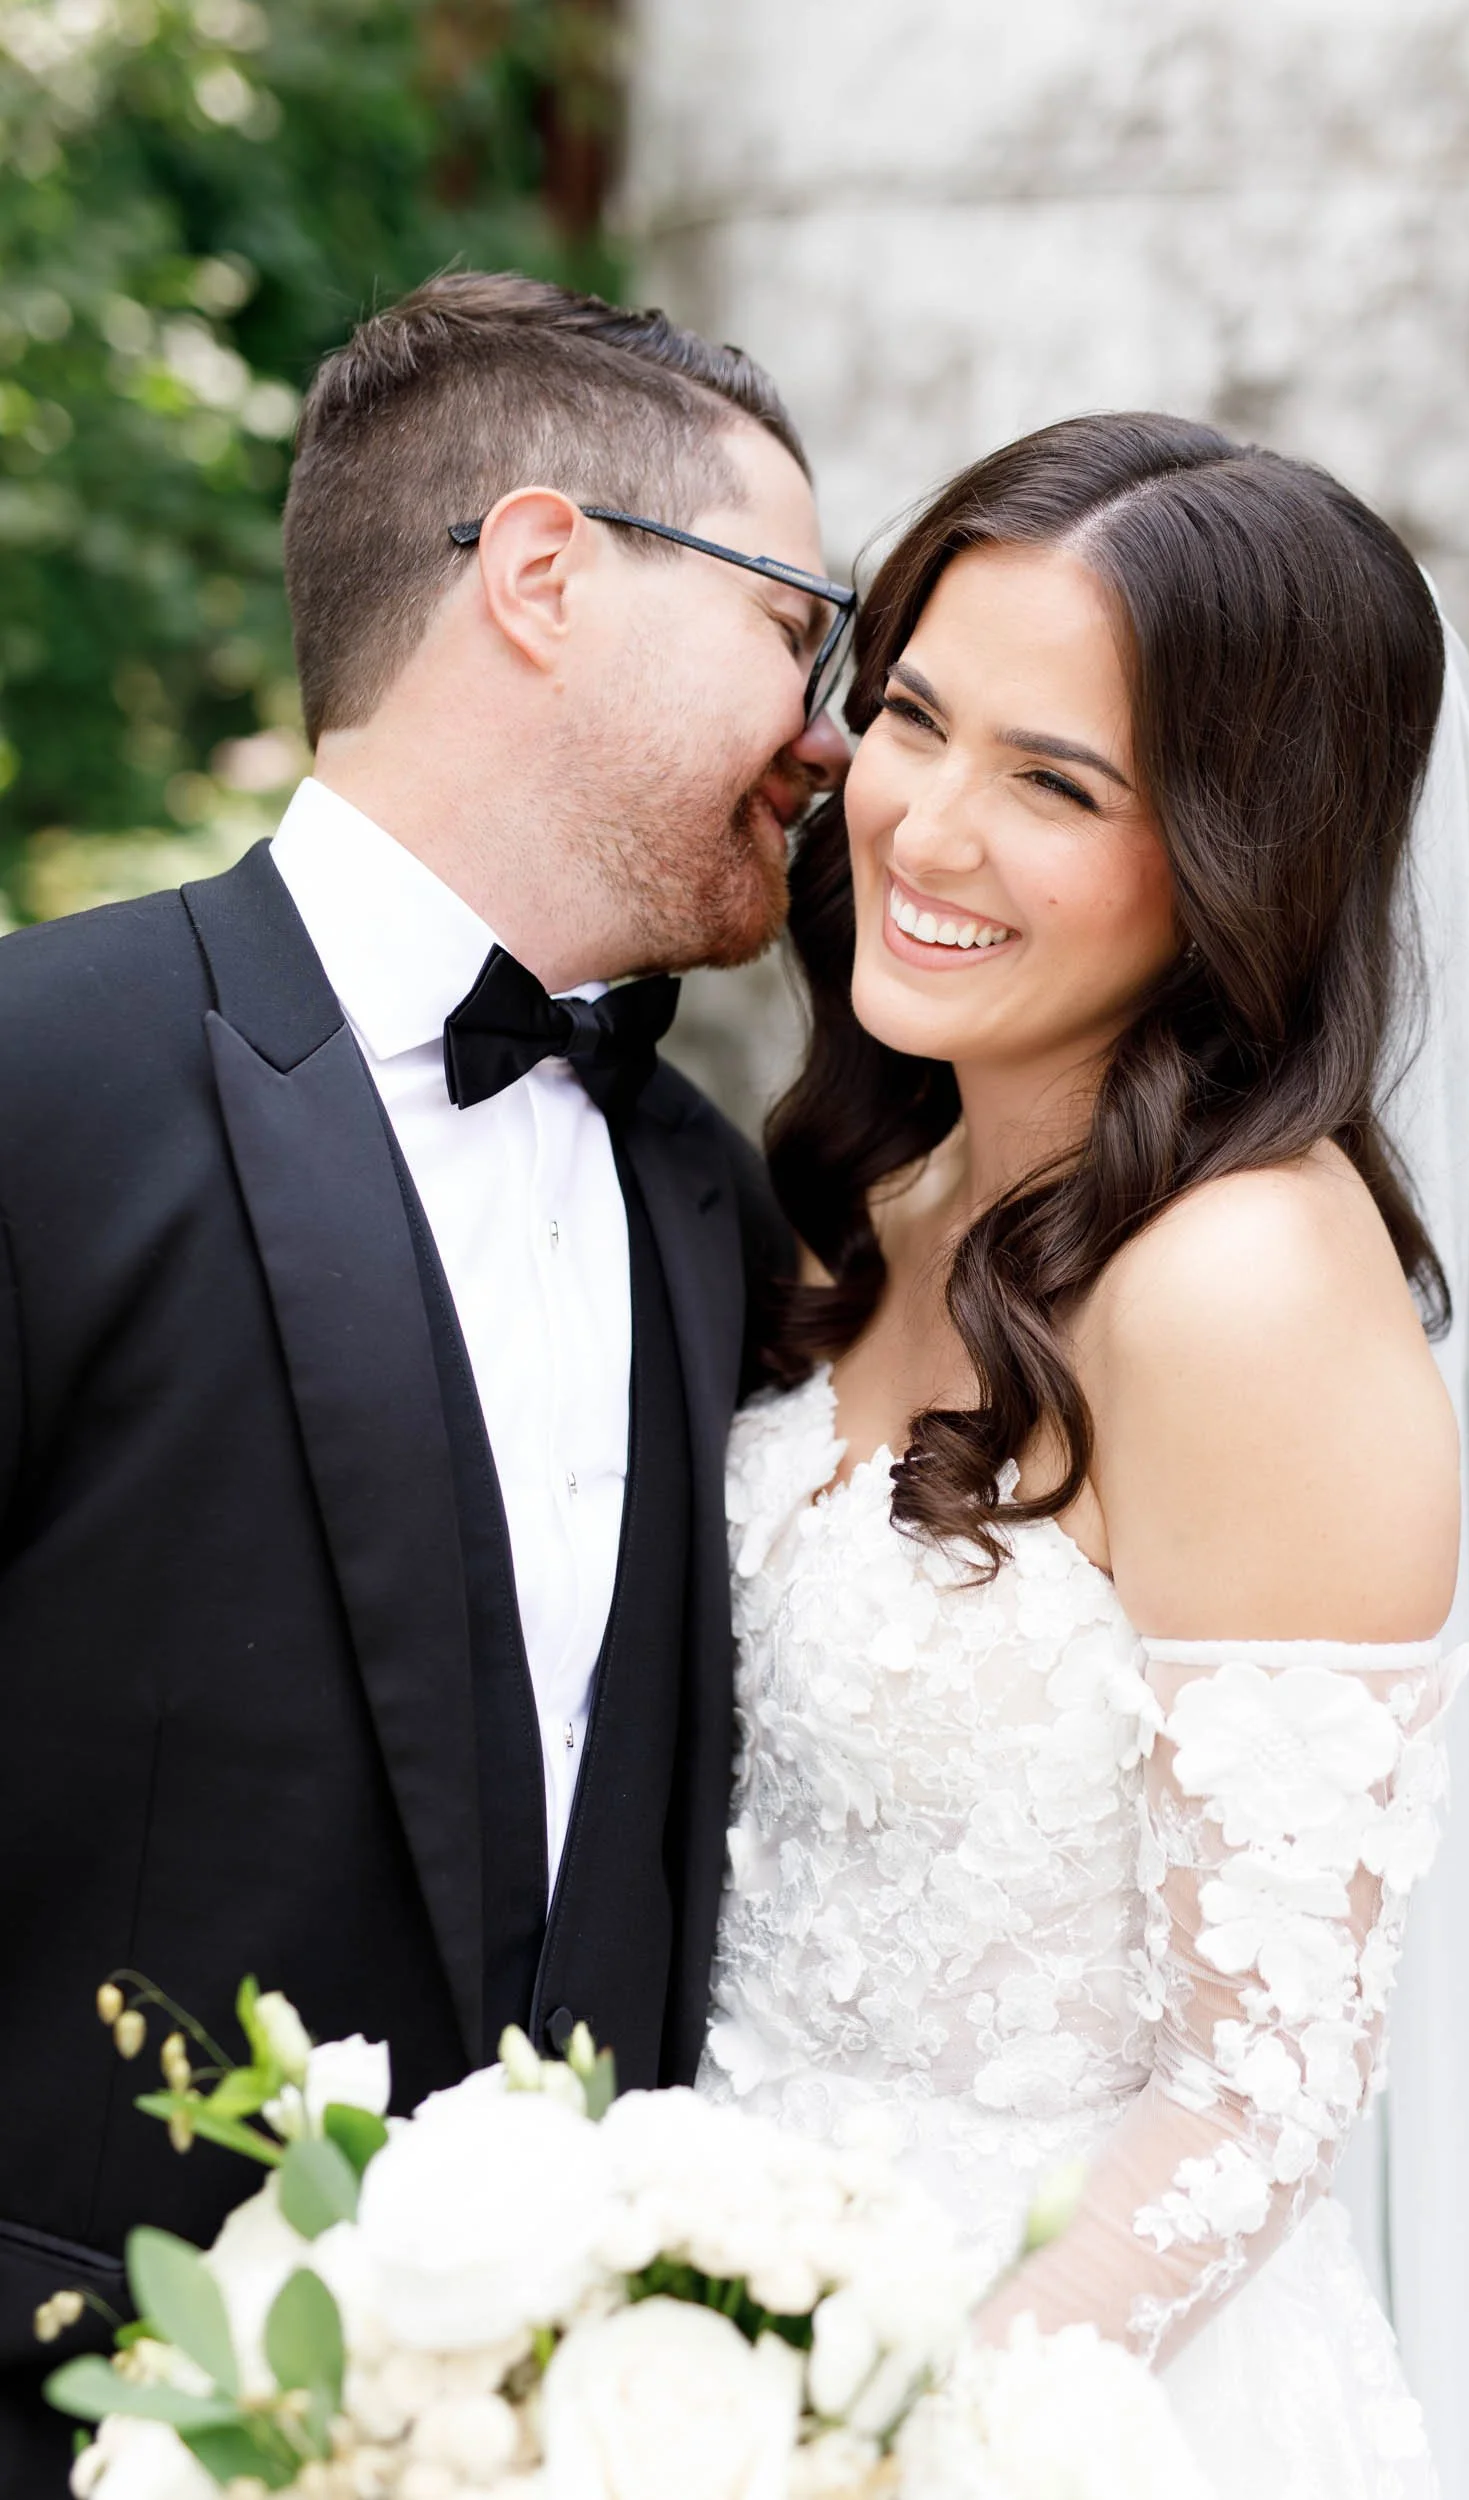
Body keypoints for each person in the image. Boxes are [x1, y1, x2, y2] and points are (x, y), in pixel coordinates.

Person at [0, 270, 848, 2488]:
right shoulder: (35, 1080)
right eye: (798, 626)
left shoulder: (702, 1200)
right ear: (547, 573)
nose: (832, 729)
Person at [700, 412, 1469, 2492]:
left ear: (1241, 847)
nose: (923, 825)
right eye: (909, 720)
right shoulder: (871, 1198)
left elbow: (1256, 2084)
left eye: (1051, 781)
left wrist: (887, 2436)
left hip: (1066, 2386)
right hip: (709, 2297)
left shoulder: (1237, 1278)